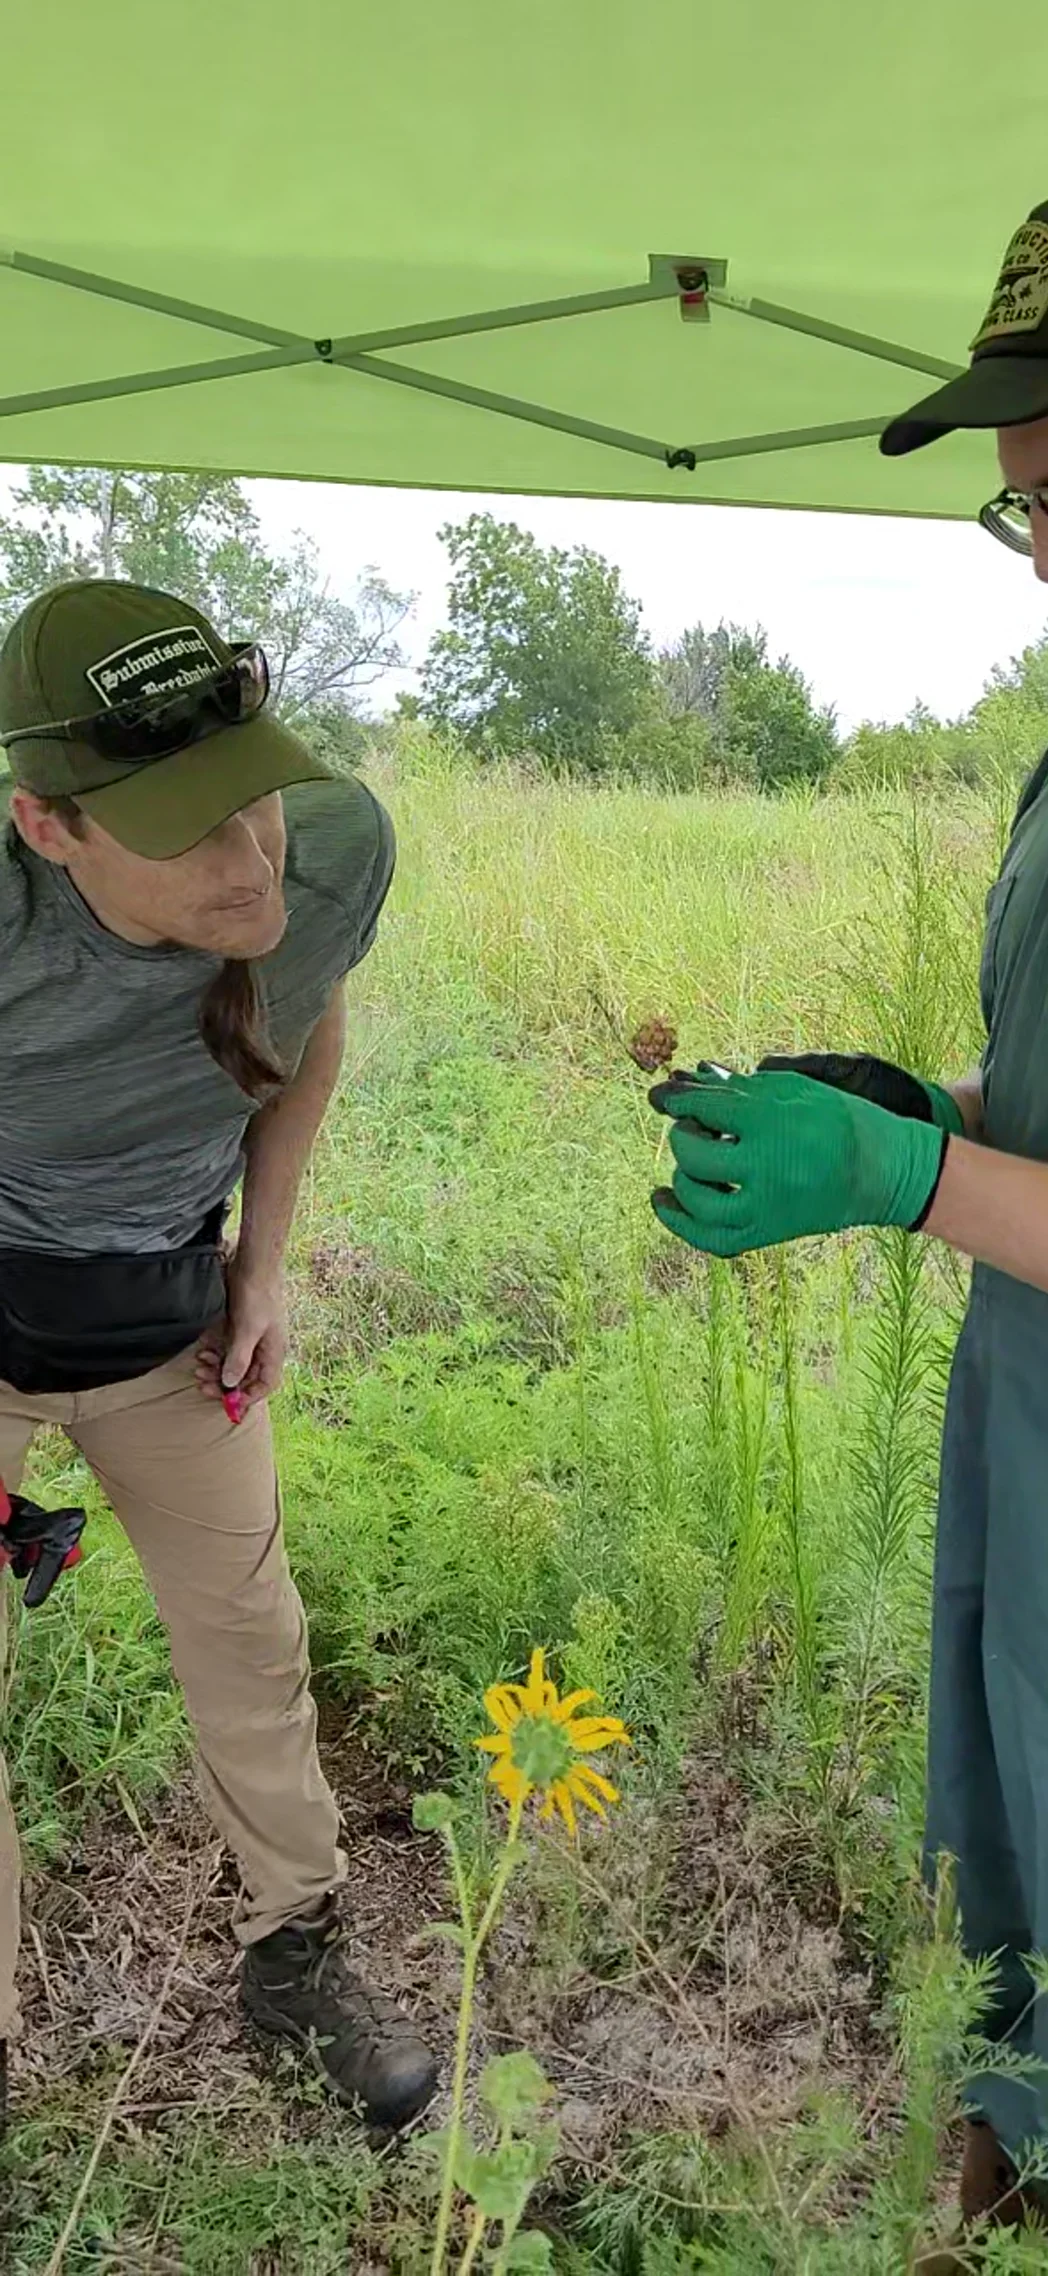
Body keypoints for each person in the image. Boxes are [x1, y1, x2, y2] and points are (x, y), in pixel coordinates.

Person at [648, 162, 1048, 2274]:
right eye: (1019, 507)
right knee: (1036, 2053)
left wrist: (926, 1185)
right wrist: (912, 1107)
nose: (1044, 564)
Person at [0, 579, 438, 2133]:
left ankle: (296, 1960)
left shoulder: (334, 850)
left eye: (250, 793)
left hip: (165, 1314)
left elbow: (305, 1017)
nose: (253, 860)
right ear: (51, 828)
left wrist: (262, 1261)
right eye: (187, 828)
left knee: (252, 1638)